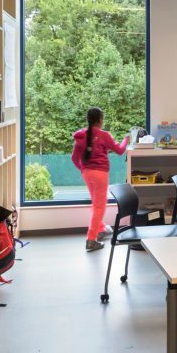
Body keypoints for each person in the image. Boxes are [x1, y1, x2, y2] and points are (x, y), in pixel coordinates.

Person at [71, 107, 128, 252]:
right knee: (99, 206)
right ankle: (91, 239)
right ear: (100, 119)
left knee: (95, 203)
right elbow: (120, 151)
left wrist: (83, 169)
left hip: (87, 174)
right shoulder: (104, 135)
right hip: (100, 174)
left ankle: (100, 229)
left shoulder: (81, 136)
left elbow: (74, 158)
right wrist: (127, 139)